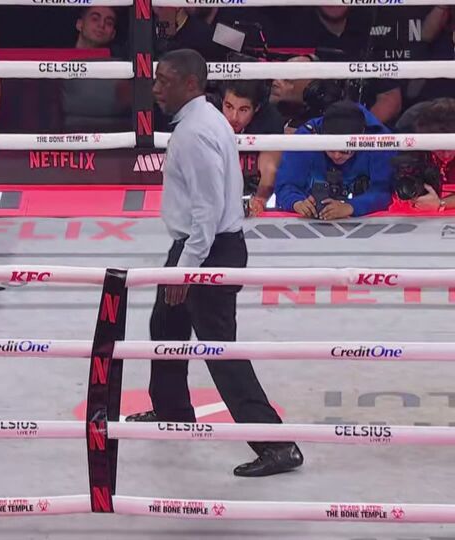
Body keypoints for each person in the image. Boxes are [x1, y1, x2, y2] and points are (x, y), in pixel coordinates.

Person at [124, 49, 303, 478]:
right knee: (165, 325)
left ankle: (277, 445)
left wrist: (187, 269)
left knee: (220, 349)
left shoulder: (195, 134)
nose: (156, 88)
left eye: (164, 81)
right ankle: (173, 410)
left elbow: (206, 210)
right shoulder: (205, 118)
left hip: (207, 249)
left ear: (190, 84)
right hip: (198, 245)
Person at [275, 100, 394, 220]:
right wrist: (296, 202)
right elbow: (285, 185)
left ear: (362, 135)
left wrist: (351, 207)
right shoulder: (306, 137)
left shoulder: (378, 141)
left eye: (345, 151)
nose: (337, 156)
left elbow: (384, 192)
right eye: (330, 149)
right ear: (322, 134)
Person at [218, 80, 283, 216]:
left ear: (256, 108)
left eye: (243, 110)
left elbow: (269, 169)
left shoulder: (269, 120)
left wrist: (259, 201)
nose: (234, 117)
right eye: (228, 106)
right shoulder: (210, 116)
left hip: (250, 194)